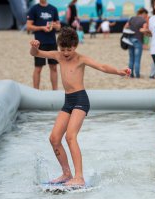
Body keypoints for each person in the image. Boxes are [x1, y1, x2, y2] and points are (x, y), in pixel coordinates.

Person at [29, 27, 131, 186]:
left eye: (69, 49)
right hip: (68, 101)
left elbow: (102, 66)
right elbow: (37, 54)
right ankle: (66, 173)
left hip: (81, 100)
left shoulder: (81, 59)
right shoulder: (58, 56)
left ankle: (79, 177)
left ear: (75, 46)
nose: (66, 53)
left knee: (70, 136)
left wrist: (119, 71)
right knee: (54, 138)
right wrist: (34, 47)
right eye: (63, 49)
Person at [26, 0, 61, 90]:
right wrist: (42, 28)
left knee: (53, 67)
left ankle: (55, 91)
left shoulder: (53, 9)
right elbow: (29, 26)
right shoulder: (34, 9)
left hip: (52, 42)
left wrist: (54, 25)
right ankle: (36, 91)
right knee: (38, 68)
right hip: (39, 43)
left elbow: (59, 26)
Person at [123, 7, 148, 78]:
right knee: (137, 60)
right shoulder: (143, 20)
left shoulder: (132, 18)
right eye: (146, 15)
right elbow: (144, 30)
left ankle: (131, 74)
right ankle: (137, 75)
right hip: (138, 40)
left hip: (130, 40)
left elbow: (125, 27)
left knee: (131, 59)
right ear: (143, 13)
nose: (146, 17)